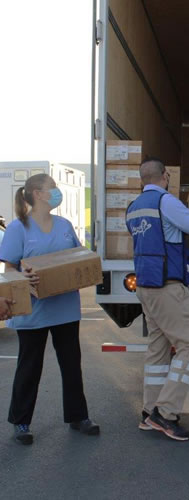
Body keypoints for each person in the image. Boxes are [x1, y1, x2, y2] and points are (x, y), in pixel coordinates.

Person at [0, 173, 99, 445]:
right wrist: (23, 277)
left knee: (71, 364)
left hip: (65, 307)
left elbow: (78, 259)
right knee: (29, 366)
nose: (56, 192)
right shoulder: (18, 228)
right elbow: (9, 269)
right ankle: (21, 422)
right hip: (33, 311)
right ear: (37, 194)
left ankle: (78, 417)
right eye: (51, 188)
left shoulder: (65, 225)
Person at [126, 158, 189, 442]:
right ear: (165, 176)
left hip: (145, 284)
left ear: (143, 179)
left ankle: (149, 412)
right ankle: (165, 414)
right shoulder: (166, 202)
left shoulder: (133, 208)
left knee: (157, 348)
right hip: (168, 286)